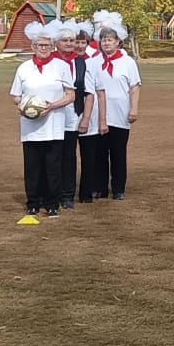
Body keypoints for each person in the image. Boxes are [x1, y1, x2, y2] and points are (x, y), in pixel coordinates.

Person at [9, 21, 75, 218]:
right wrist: (24, 109)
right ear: (33, 47)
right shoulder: (24, 68)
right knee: (32, 168)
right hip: (30, 128)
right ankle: (33, 203)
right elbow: (16, 96)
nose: (44, 48)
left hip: (54, 125)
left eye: (47, 45)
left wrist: (52, 106)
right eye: (40, 45)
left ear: (52, 47)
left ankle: (52, 203)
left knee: (53, 168)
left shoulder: (61, 67)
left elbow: (71, 95)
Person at [93, 13, 141, 200]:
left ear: (118, 42)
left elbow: (134, 87)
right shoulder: (95, 61)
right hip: (99, 114)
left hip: (120, 113)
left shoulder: (127, 62)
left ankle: (119, 187)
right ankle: (100, 187)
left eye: (110, 40)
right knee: (99, 153)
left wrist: (133, 109)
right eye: (104, 40)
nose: (106, 43)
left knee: (118, 153)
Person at [52, 19, 93, 209]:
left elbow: (88, 91)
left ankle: (67, 194)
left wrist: (84, 116)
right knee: (53, 155)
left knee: (69, 155)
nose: (69, 43)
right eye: (65, 40)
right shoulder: (50, 61)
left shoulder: (81, 63)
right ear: (56, 42)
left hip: (72, 114)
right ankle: (52, 192)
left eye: (72, 40)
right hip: (51, 115)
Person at [73, 20, 106, 204]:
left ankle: (87, 192)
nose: (79, 45)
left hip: (90, 116)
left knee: (90, 157)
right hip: (69, 116)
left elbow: (99, 92)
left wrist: (101, 120)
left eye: (82, 42)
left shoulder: (93, 63)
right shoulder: (65, 62)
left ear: (87, 44)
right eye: (76, 42)